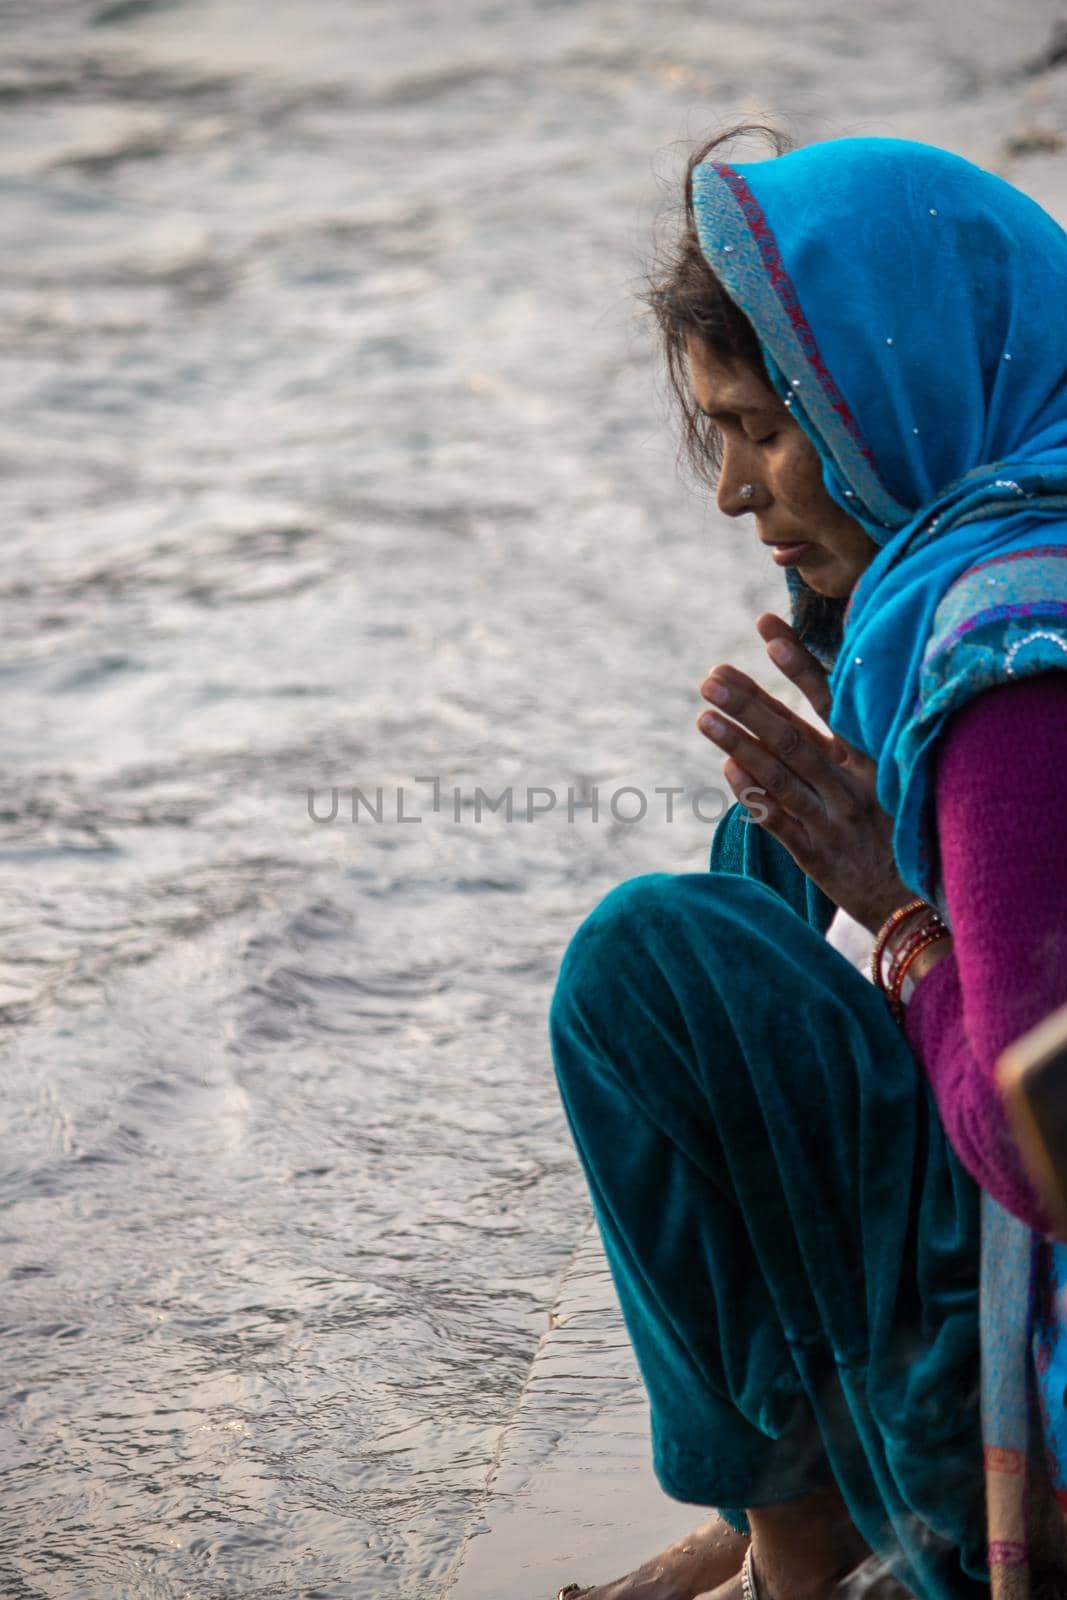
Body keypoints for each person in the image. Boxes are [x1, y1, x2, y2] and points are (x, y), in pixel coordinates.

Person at [548, 130, 1067, 1600]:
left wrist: (903, 914)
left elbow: (1051, 1144)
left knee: (656, 964)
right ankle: (777, 1510)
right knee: (758, 855)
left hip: (1036, 1418)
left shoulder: (1013, 666)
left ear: (876, 396)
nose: (730, 491)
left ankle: (821, 1543)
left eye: (758, 428)